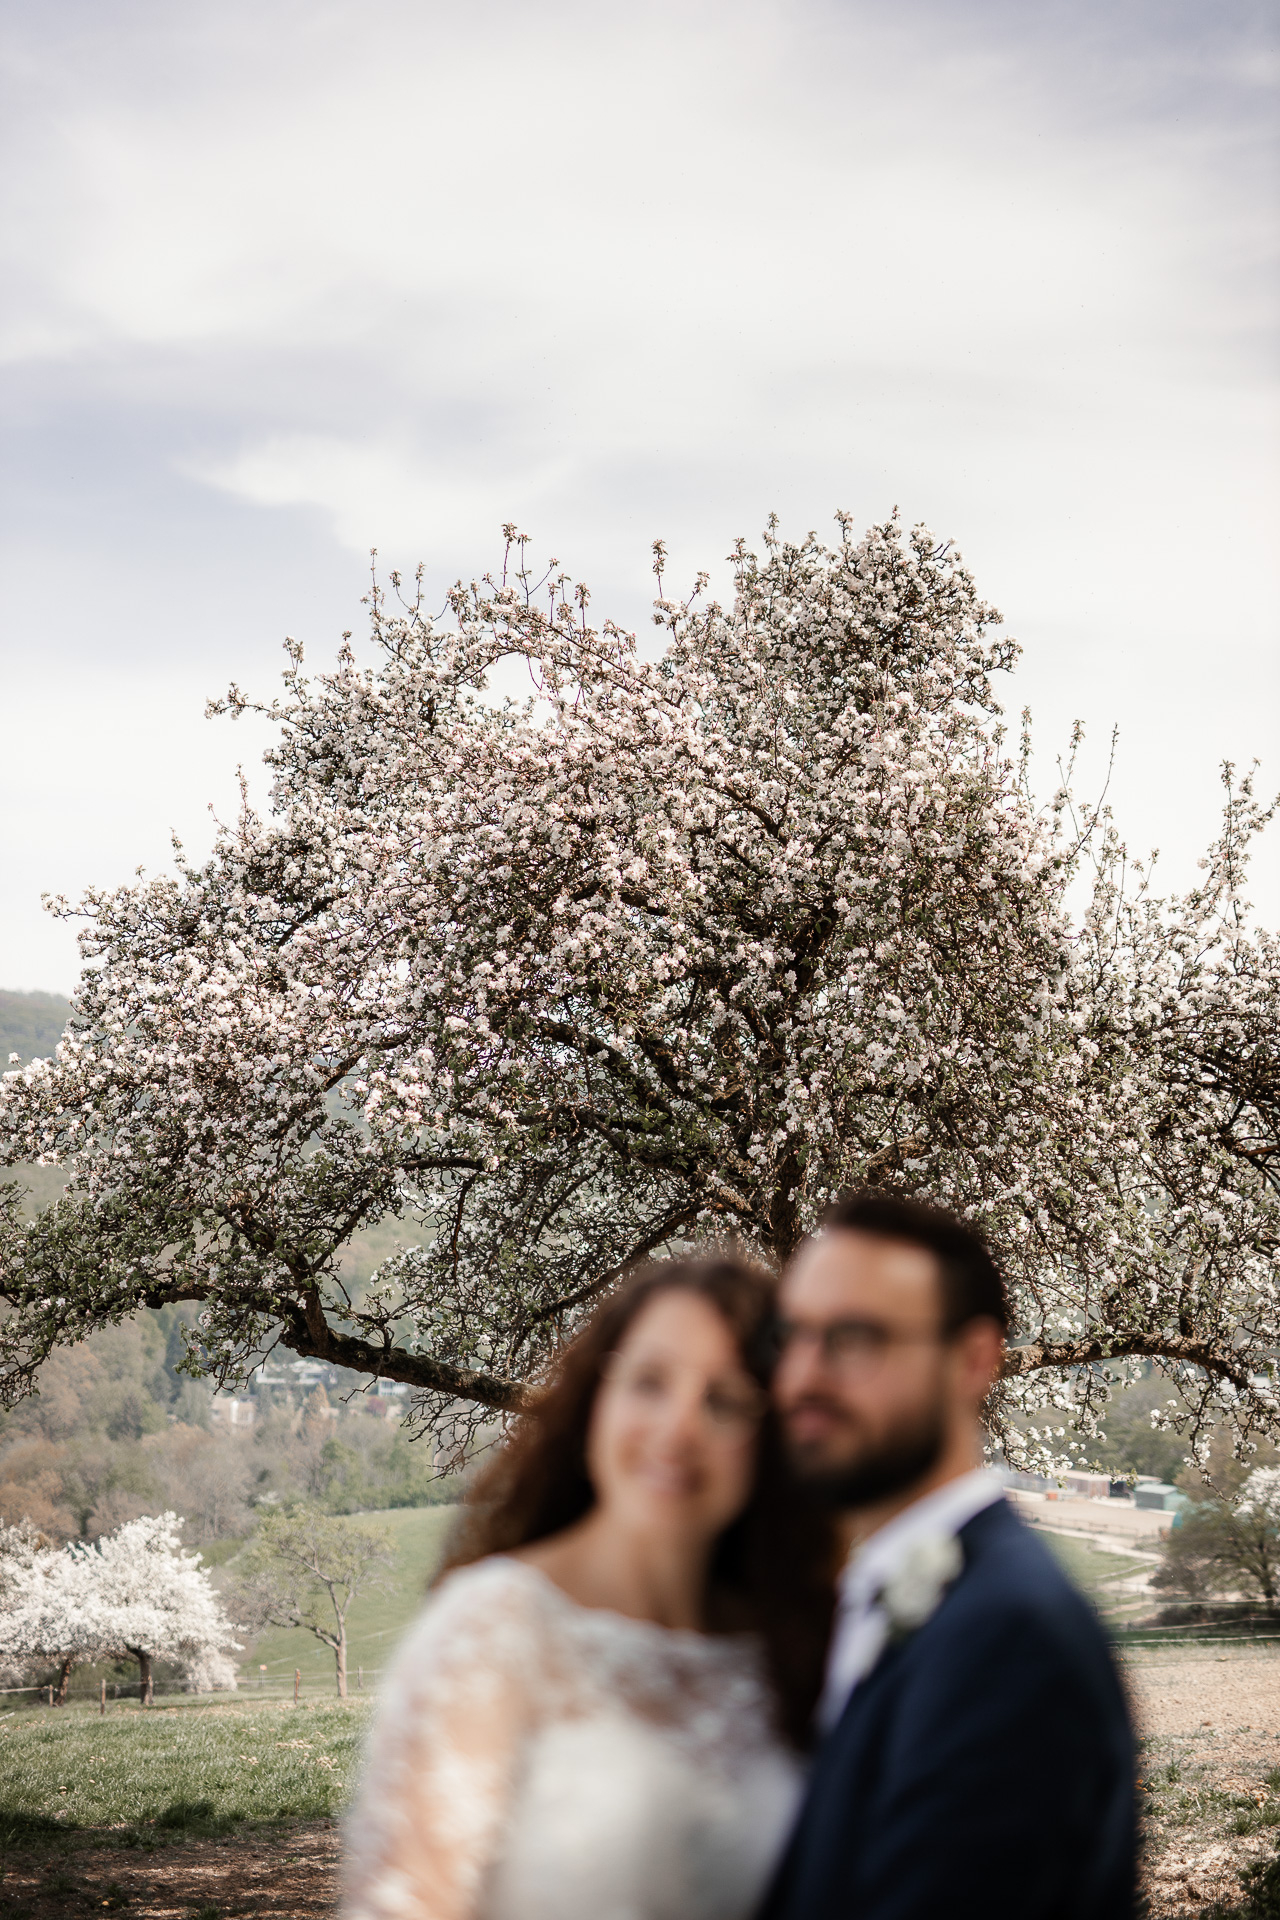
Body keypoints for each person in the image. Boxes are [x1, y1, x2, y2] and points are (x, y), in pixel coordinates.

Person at [344, 1255, 837, 1920]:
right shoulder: (496, 1629)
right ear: (595, 1402)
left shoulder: (795, 1647)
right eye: (648, 1382)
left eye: (725, 1402)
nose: (678, 1429)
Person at [761, 1189, 1137, 1920]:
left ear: (971, 1360)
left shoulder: (1010, 1638)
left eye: (854, 1338)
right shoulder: (885, 1596)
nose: (803, 1377)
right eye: (791, 1336)